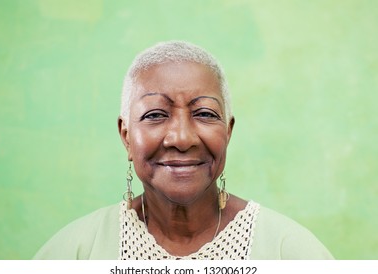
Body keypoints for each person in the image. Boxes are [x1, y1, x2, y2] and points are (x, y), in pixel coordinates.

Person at [34, 41, 333, 260]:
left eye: (204, 113)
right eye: (155, 115)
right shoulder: (75, 252)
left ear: (227, 132)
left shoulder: (290, 251)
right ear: (126, 136)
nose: (181, 137)